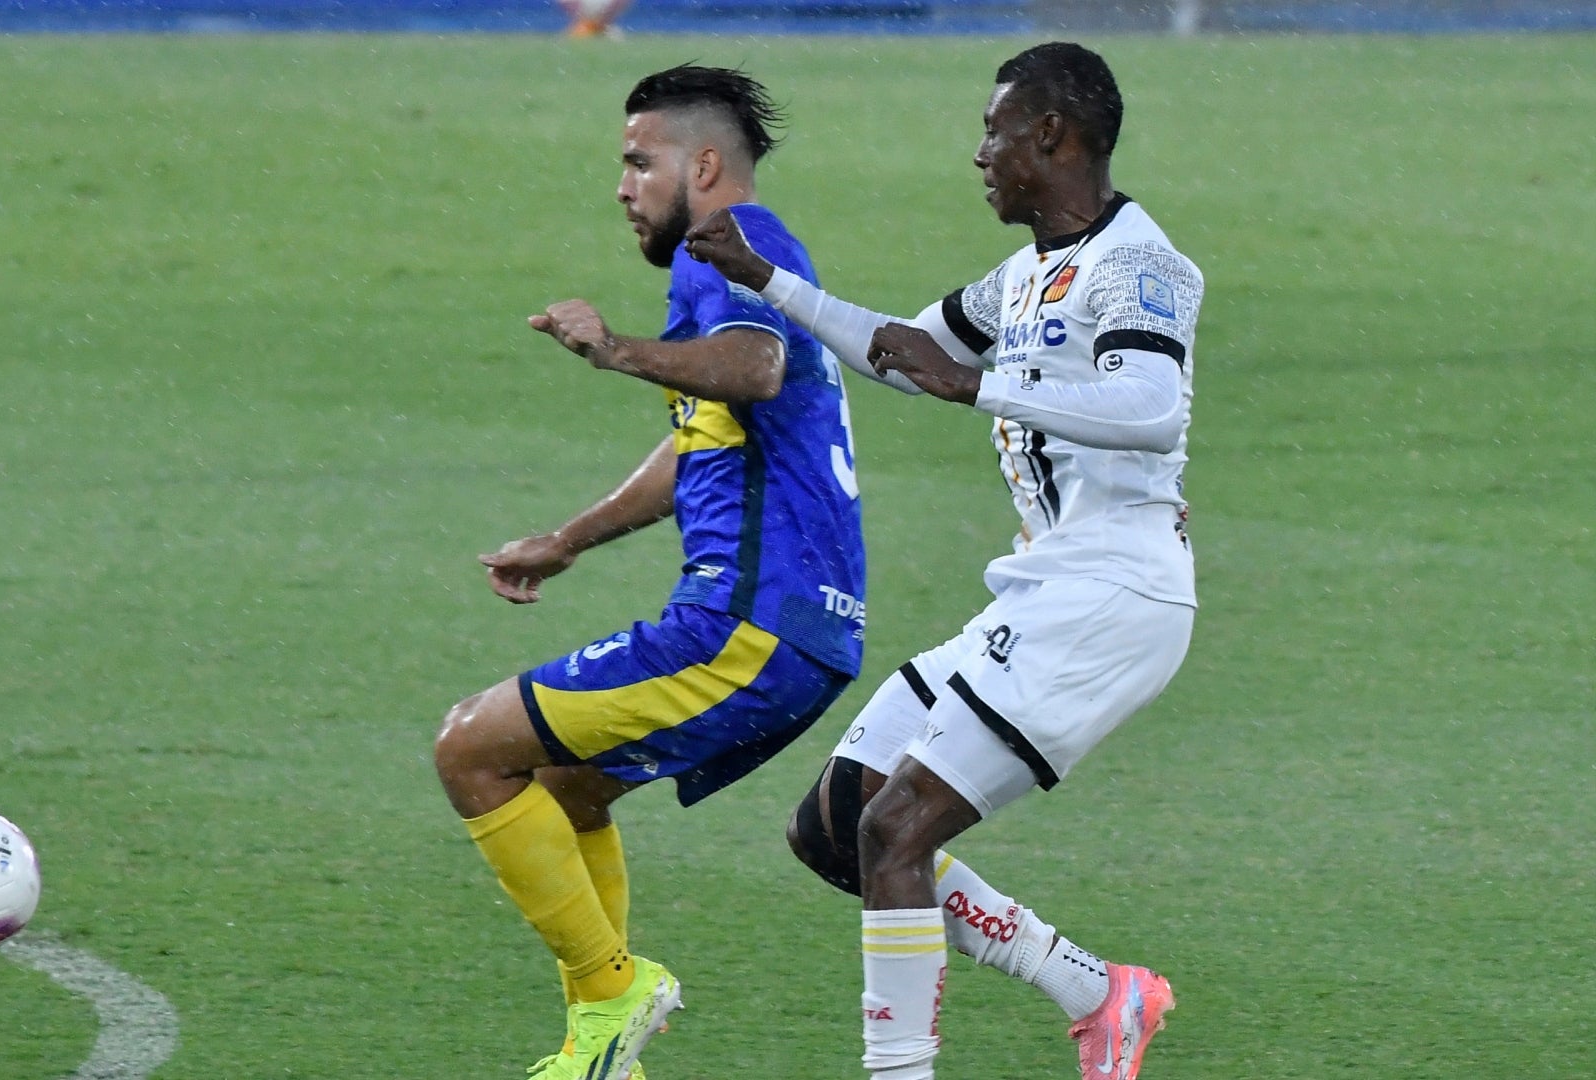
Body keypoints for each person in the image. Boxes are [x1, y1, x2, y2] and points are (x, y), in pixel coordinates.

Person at [685, 41, 1202, 1080]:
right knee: (838, 827)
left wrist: (979, 390)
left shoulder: (1140, 266)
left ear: (1052, 136)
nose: (981, 153)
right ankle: (1098, 994)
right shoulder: (1023, 276)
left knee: (897, 824)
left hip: (1114, 594)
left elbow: (1150, 410)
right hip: (1046, 585)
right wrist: (772, 283)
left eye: (995, 129)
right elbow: (902, 353)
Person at [434, 63, 867, 1080]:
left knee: (469, 751)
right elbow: (705, 440)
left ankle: (610, 998)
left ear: (703, 165)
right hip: (796, 632)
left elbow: (753, 369)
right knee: (568, 784)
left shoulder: (736, 244)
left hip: (747, 628)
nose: (623, 186)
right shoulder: (750, 258)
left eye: (640, 162)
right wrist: (571, 538)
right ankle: (604, 1049)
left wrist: (614, 350)